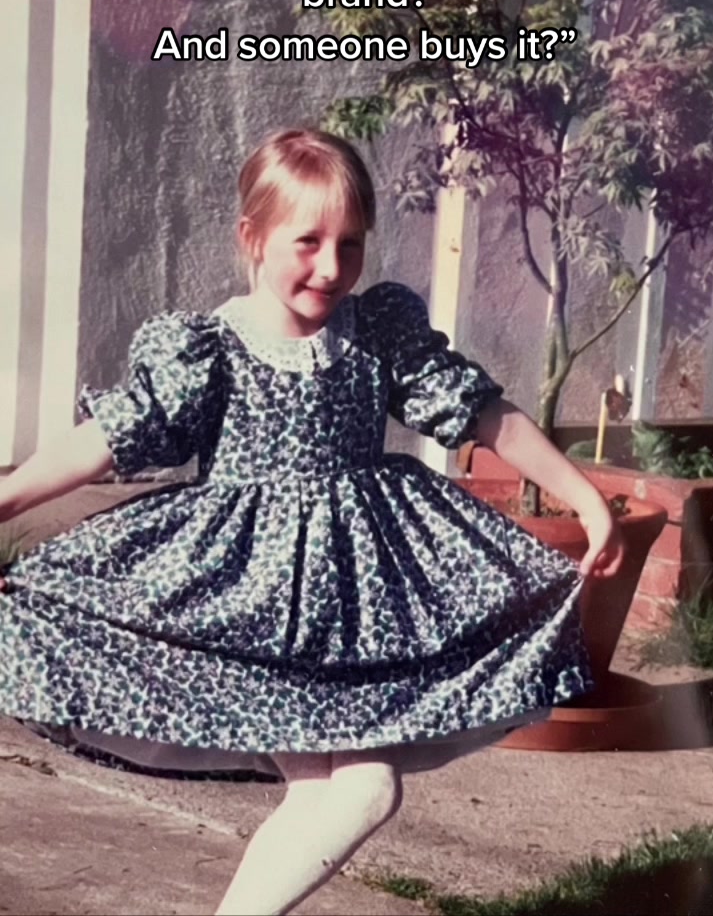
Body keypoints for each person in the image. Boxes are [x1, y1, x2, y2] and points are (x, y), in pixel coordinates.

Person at [0, 128, 624, 916]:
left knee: (347, 794)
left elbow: (484, 416)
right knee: (363, 791)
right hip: (252, 614)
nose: (331, 267)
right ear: (253, 238)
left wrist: (584, 497)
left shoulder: (377, 337)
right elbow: (109, 437)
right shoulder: (209, 351)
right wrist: (7, 501)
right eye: (308, 242)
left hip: (357, 617)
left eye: (350, 244)